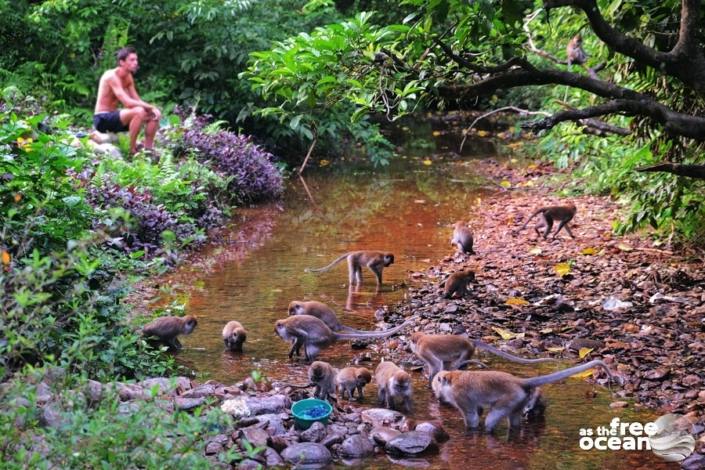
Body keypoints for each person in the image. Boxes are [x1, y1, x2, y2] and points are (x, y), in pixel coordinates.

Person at [93, 46, 161, 156]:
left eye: (136, 60)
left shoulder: (128, 77)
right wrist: (148, 106)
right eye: (132, 60)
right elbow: (127, 103)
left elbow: (136, 100)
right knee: (139, 111)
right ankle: (131, 150)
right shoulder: (111, 76)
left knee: (155, 114)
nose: (135, 63)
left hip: (116, 118)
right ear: (122, 62)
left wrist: (151, 109)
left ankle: (148, 149)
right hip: (102, 119)